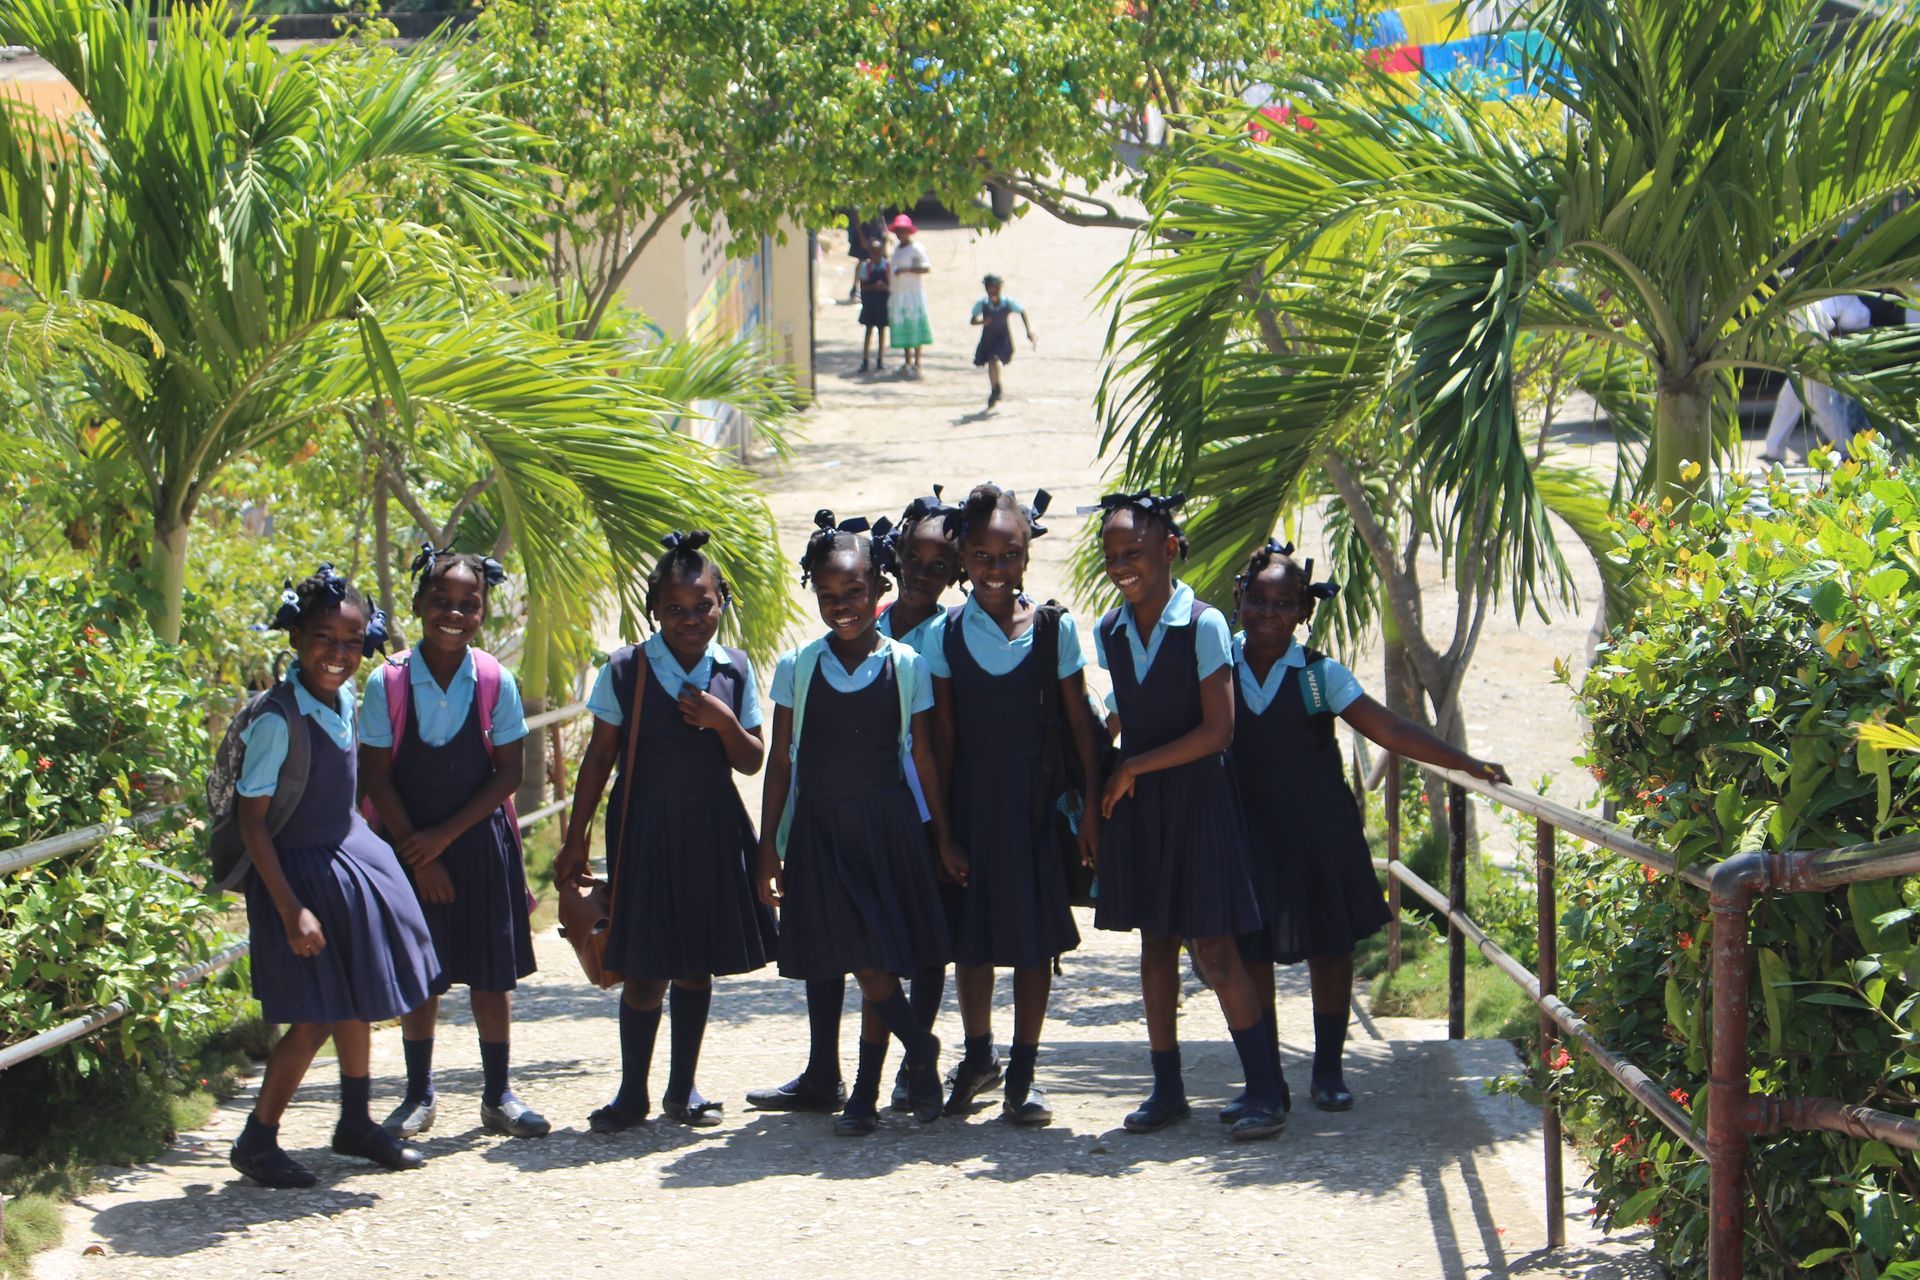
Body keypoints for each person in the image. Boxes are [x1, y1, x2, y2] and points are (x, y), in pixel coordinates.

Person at [1227, 539, 1508, 1116]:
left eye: (1284, 604)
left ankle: (1328, 1070)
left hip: (1319, 832)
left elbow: (1390, 730)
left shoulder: (1317, 675)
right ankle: (1266, 1077)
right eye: (1258, 600)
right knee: (1250, 950)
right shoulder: (1217, 665)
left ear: (1303, 613)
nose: (1268, 614)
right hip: (1246, 831)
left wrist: (1465, 762)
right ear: (1240, 600)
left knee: (1330, 948)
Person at [744, 487, 963, 1118]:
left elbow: (922, 758)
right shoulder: (798, 666)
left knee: (875, 958)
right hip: (819, 831)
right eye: (829, 595)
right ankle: (914, 1049)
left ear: (879, 588)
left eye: (855, 592)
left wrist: (943, 836)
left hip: (884, 829)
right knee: (846, 954)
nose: (843, 606)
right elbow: (781, 761)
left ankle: (867, 1088)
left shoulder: (907, 665)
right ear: (814, 595)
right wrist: (769, 847)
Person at [556, 532, 778, 1131]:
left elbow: (752, 760)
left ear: (721, 603)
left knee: (695, 964)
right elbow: (599, 758)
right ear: (654, 609)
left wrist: (723, 722)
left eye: (703, 606)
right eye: (675, 608)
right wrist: (576, 838)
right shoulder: (626, 668)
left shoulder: (733, 669)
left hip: (711, 830)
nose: (690, 619)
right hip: (645, 829)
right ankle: (632, 1094)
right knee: (645, 967)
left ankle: (684, 1091)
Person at [227, 567, 438, 1188]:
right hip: (298, 881)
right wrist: (290, 908)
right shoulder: (278, 720)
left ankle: (355, 1121)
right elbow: (253, 822)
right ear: (296, 636)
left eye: (350, 642)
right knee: (316, 1014)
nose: (337, 654)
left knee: (356, 995)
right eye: (323, 638)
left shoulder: (345, 700)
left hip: (346, 866)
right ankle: (257, 1138)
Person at [1092, 492, 1287, 1141]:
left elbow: (1217, 731)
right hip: (1144, 811)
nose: (1122, 566)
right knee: (1154, 946)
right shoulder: (1110, 630)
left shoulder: (1202, 625)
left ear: (1170, 549)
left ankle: (1265, 1090)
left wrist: (1132, 767)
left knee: (1215, 949)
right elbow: (1126, 707)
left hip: (1199, 802)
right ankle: (1167, 1089)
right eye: (1112, 556)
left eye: (1135, 552)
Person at [925, 484, 1104, 1126]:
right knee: (972, 944)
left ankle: (1024, 1074)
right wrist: (944, 832)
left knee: (1035, 944)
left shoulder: (1055, 630)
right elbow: (941, 742)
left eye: (1009, 555)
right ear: (962, 558)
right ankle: (980, 1056)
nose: (995, 569)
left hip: (1036, 806)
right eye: (981, 556)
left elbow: (1080, 726)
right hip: (973, 805)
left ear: (1028, 553)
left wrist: (1089, 809)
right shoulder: (943, 635)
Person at [361, 546, 546, 1141]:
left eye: (470, 604)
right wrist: (422, 855)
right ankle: (418, 1094)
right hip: (408, 846)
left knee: (491, 976)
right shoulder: (387, 682)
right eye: (441, 601)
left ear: (483, 613)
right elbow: (376, 776)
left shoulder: (494, 681)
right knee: (420, 973)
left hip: (478, 842)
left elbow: (508, 773)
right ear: (418, 604)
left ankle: (499, 1095)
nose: (454, 614)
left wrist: (442, 839)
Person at [970, 275, 1036, 409]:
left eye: (995, 288)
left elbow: (1021, 312)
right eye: (990, 289)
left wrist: (1028, 332)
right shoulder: (982, 304)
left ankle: (996, 388)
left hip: (1003, 337)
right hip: (988, 338)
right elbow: (973, 320)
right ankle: (995, 387)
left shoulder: (1007, 303)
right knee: (991, 361)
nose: (993, 291)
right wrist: (983, 322)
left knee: (994, 359)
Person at [888, 214, 933, 378]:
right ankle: (907, 362)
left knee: (915, 325)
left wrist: (906, 270)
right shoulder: (896, 249)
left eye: (903, 231)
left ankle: (917, 362)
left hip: (912, 292)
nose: (900, 234)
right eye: (898, 231)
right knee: (904, 326)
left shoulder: (916, 249)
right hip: (898, 293)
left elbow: (926, 268)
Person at [857, 236, 892, 373]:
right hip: (870, 302)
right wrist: (874, 286)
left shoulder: (887, 266)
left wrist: (884, 286)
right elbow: (863, 286)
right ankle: (865, 360)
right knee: (868, 330)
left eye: (878, 252)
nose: (876, 255)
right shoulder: (866, 267)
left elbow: (891, 285)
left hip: (883, 302)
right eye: (873, 252)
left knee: (882, 331)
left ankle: (880, 360)